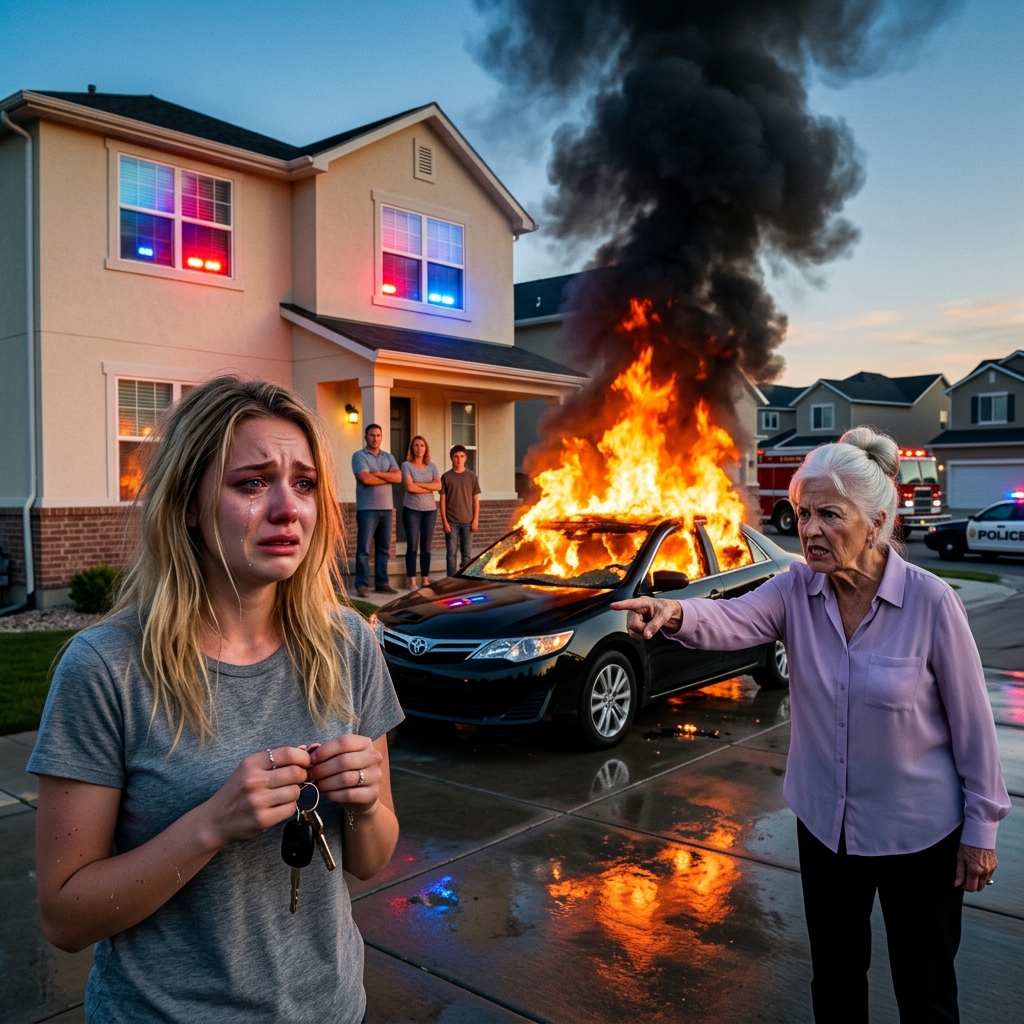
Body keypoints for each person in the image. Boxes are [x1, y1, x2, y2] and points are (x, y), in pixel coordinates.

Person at [29, 378, 404, 1023]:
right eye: (252, 483)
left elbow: (370, 861)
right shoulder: (106, 669)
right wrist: (212, 825)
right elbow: (65, 917)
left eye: (305, 484)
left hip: (332, 1008)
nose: (288, 509)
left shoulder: (347, 642)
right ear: (189, 505)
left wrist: (367, 805)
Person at [612, 427, 1009, 1024]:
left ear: (877, 523)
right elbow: (732, 620)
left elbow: (974, 725)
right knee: (836, 981)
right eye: (802, 514)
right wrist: (673, 612)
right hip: (827, 828)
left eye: (829, 514)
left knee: (925, 991)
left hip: (919, 838)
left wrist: (982, 829)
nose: (810, 529)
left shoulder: (931, 602)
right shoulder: (796, 587)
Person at [351, 422, 402, 597]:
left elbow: (398, 477)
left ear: (382, 437)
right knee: (363, 549)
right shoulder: (359, 456)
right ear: (366, 437)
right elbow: (366, 479)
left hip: (387, 509)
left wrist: (377, 473)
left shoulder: (388, 457)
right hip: (367, 509)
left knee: (384, 549)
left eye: (378, 435)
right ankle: (361, 585)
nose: (375, 438)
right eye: (372, 435)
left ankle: (382, 583)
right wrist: (387, 476)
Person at [401, 435, 440, 589]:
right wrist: (429, 486)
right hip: (412, 510)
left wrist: (419, 484)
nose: (419, 448)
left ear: (426, 448)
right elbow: (409, 487)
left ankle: (425, 579)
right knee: (412, 545)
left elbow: (438, 486)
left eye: (422, 445)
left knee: (426, 546)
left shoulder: (432, 466)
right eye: (416, 445)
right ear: (412, 448)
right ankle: (412, 581)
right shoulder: (406, 465)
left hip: (430, 511)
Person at [440, 444, 480, 577]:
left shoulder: (472, 476)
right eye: (456, 456)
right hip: (451, 522)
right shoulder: (446, 477)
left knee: (466, 556)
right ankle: (451, 580)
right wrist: (445, 521)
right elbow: (443, 501)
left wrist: (475, 519)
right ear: (451, 458)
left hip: (468, 522)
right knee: (451, 554)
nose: (459, 459)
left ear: (466, 458)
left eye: (461, 456)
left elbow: (475, 499)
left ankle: (464, 580)